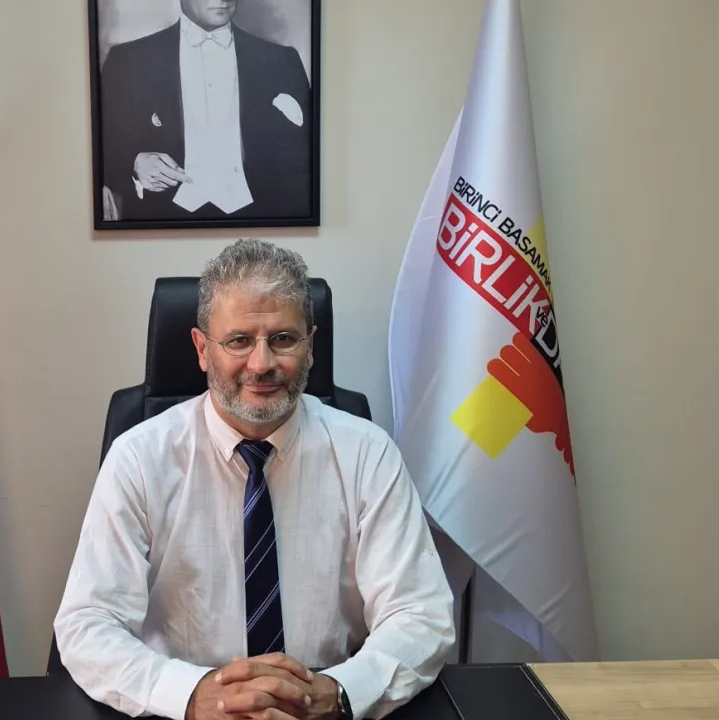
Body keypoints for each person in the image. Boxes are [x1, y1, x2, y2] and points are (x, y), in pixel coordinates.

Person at [53, 239, 456, 720]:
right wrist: (192, 695)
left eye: (283, 339)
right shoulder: (139, 458)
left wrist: (338, 691)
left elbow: (420, 614)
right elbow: (88, 622)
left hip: (323, 704)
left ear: (310, 346)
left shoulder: (368, 453)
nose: (262, 364)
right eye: (239, 341)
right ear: (202, 349)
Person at [98, 0, 313, 221]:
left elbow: (305, 158)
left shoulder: (282, 61)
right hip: (161, 221)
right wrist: (134, 164)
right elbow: (99, 150)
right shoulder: (127, 61)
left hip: (260, 219)